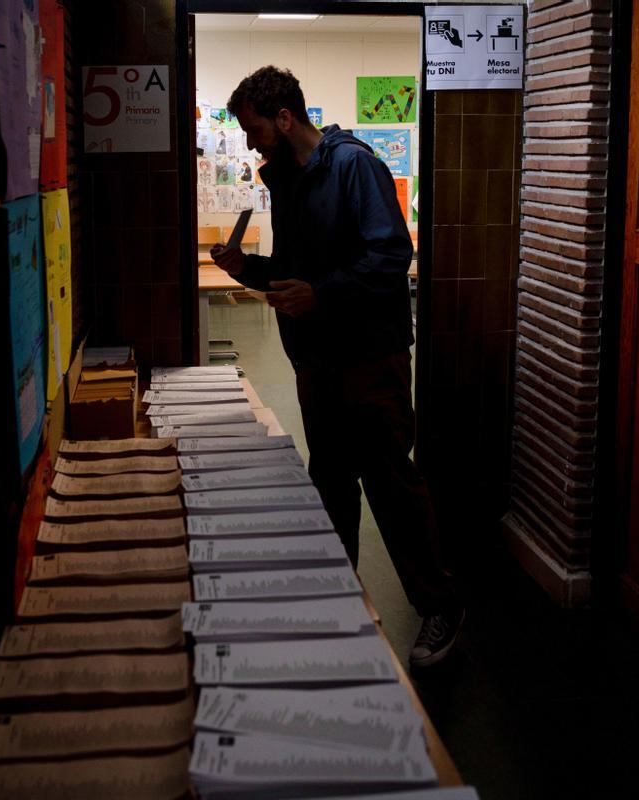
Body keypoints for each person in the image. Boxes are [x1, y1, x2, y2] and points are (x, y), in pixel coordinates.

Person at [211, 66, 463, 668]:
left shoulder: (354, 166)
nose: (250, 144)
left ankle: (441, 607)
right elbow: (300, 272)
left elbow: (391, 255)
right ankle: (337, 596)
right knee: (330, 483)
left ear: (285, 118)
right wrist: (247, 269)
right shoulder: (290, 180)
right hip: (318, 362)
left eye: (254, 131)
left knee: (390, 485)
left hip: (369, 360)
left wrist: (321, 295)